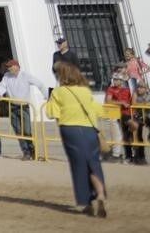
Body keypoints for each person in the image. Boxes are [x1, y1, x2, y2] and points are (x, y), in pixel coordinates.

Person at [45, 61, 108, 217]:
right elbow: (98, 110)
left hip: (70, 129)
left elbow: (52, 113)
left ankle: (85, 202)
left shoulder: (59, 92)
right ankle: (100, 194)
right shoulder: (85, 91)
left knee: (78, 165)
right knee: (93, 163)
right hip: (90, 130)